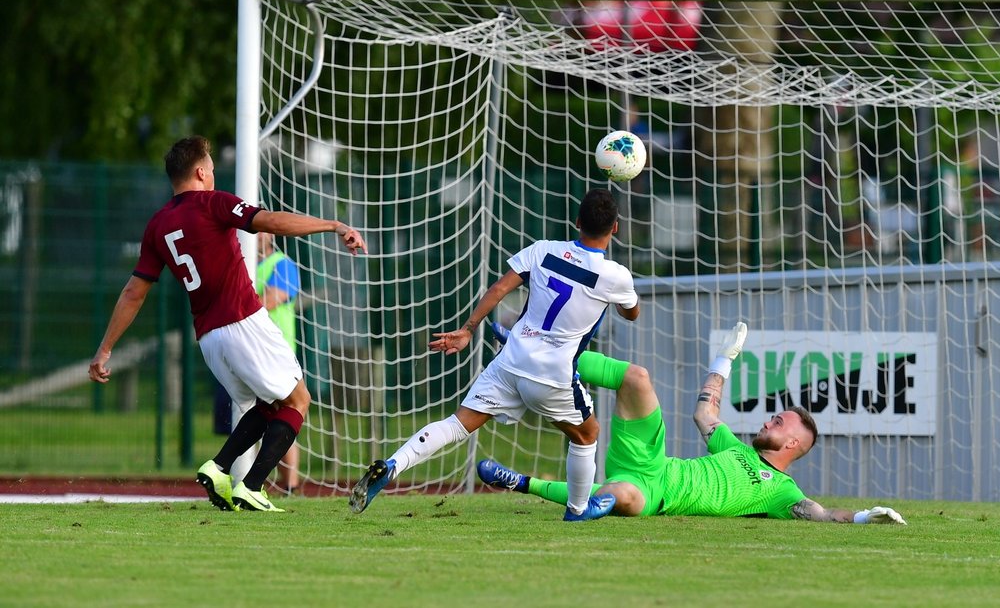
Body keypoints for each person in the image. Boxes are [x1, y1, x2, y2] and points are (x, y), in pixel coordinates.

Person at [88, 135, 366, 513]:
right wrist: (332, 225)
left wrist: (105, 348)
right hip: (243, 321)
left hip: (209, 337)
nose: (215, 177)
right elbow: (270, 222)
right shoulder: (213, 203)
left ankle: (218, 467)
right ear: (201, 172)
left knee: (269, 405)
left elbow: (133, 292)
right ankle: (252, 486)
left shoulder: (158, 225)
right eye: (213, 170)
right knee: (299, 400)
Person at [350, 188, 641, 521]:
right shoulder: (616, 276)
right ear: (615, 228)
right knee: (587, 435)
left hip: (511, 360)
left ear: (576, 222)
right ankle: (577, 510)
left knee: (457, 424)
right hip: (551, 375)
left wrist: (468, 329)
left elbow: (499, 289)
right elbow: (631, 313)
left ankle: (392, 465)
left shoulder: (543, 250)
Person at [478, 322, 907, 525]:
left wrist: (867, 517)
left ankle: (520, 482)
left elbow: (821, 513)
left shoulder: (783, 492)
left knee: (620, 497)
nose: (768, 420)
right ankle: (540, 354)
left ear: (793, 442)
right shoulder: (734, 448)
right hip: (653, 460)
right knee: (637, 379)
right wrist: (725, 360)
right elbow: (704, 413)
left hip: (655, 493)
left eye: (778, 421)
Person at [256, 230, 303, 495]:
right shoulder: (243, 265)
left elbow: (269, 300)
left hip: (277, 353)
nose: (257, 235)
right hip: (248, 351)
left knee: (284, 414)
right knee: (250, 417)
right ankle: (249, 480)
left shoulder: (282, 264)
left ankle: (290, 485)